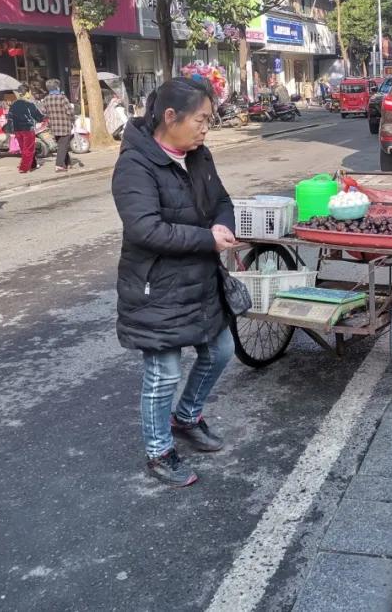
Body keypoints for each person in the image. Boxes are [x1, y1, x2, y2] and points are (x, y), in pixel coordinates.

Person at [111, 77, 237, 487]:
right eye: (201, 120)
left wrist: (222, 225)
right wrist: (207, 239)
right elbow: (145, 229)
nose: (206, 128)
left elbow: (221, 200)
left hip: (200, 277)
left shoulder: (199, 155)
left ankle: (187, 417)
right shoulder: (135, 164)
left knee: (220, 349)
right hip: (157, 287)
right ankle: (159, 452)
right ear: (170, 117)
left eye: (209, 120)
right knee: (163, 372)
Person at [8, 85, 45, 174]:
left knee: (23, 148)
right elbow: (38, 117)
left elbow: (9, 118)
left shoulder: (13, 105)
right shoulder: (29, 104)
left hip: (17, 130)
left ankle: (32, 164)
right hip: (27, 129)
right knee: (28, 149)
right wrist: (43, 117)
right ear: (28, 93)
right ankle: (24, 168)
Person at [40, 78, 74, 172]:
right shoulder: (62, 98)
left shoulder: (46, 99)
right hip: (64, 125)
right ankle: (59, 165)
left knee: (62, 145)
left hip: (54, 126)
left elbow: (43, 112)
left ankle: (67, 162)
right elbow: (70, 111)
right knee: (63, 146)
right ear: (57, 87)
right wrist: (73, 120)